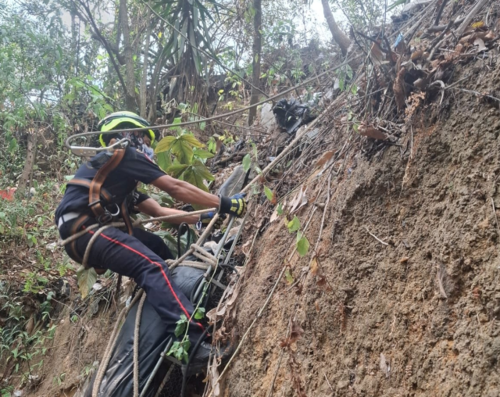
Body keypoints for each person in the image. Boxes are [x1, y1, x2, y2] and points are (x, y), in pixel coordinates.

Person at [56, 111, 245, 371]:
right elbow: (175, 187)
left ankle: (174, 299)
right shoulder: (124, 155)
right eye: (145, 138)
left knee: (156, 247)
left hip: (87, 229)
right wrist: (227, 204)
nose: (147, 145)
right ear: (129, 135)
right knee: (151, 266)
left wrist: (208, 214)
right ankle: (192, 343)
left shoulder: (118, 180)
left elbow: (161, 212)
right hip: (85, 228)